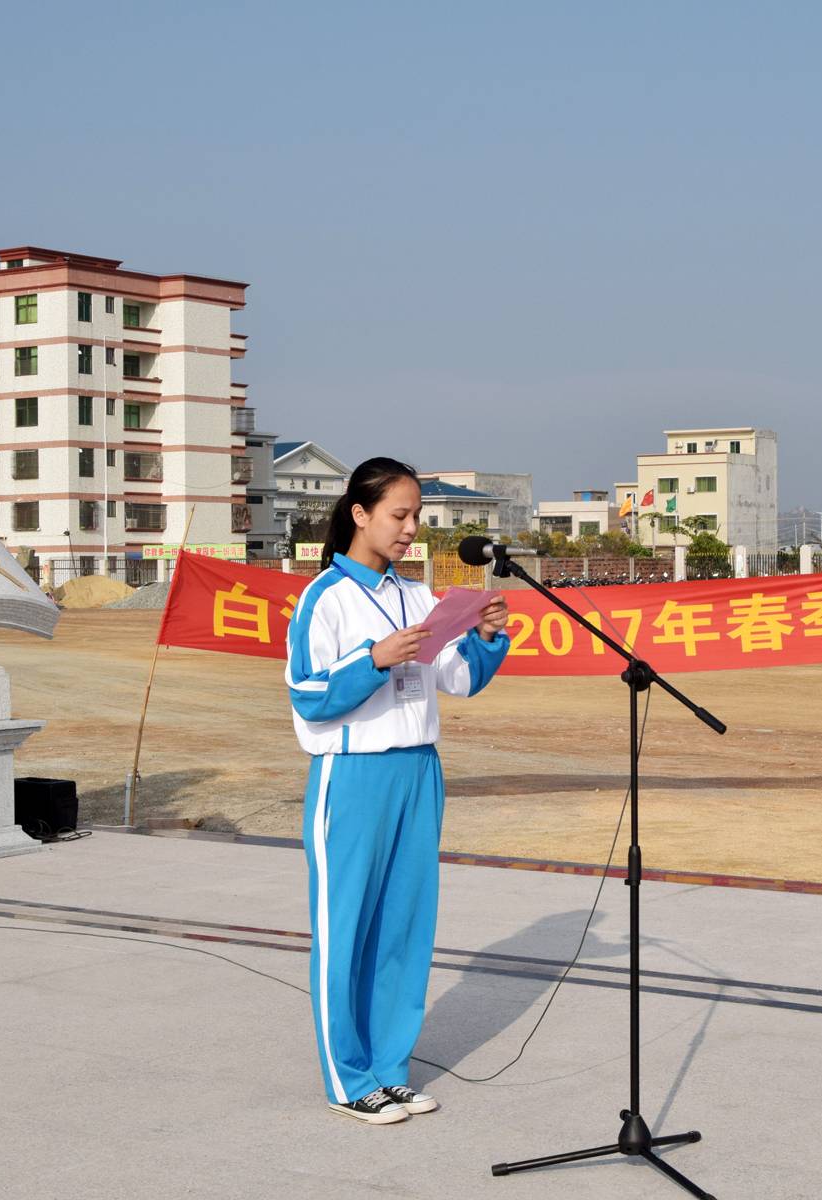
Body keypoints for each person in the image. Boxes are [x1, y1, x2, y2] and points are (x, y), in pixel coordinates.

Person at [285, 456, 510, 1124]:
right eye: (399, 515)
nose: (411, 529)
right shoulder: (324, 597)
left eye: (417, 516)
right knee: (346, 929)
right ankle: (349, 1079)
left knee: (404, 930)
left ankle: (390, 1070)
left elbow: (457, 680)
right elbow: (308, 696)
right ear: (360, 514)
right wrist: (374, 659)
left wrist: (485, 637)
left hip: (419, 772)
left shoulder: (418, 596)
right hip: (354, 775)